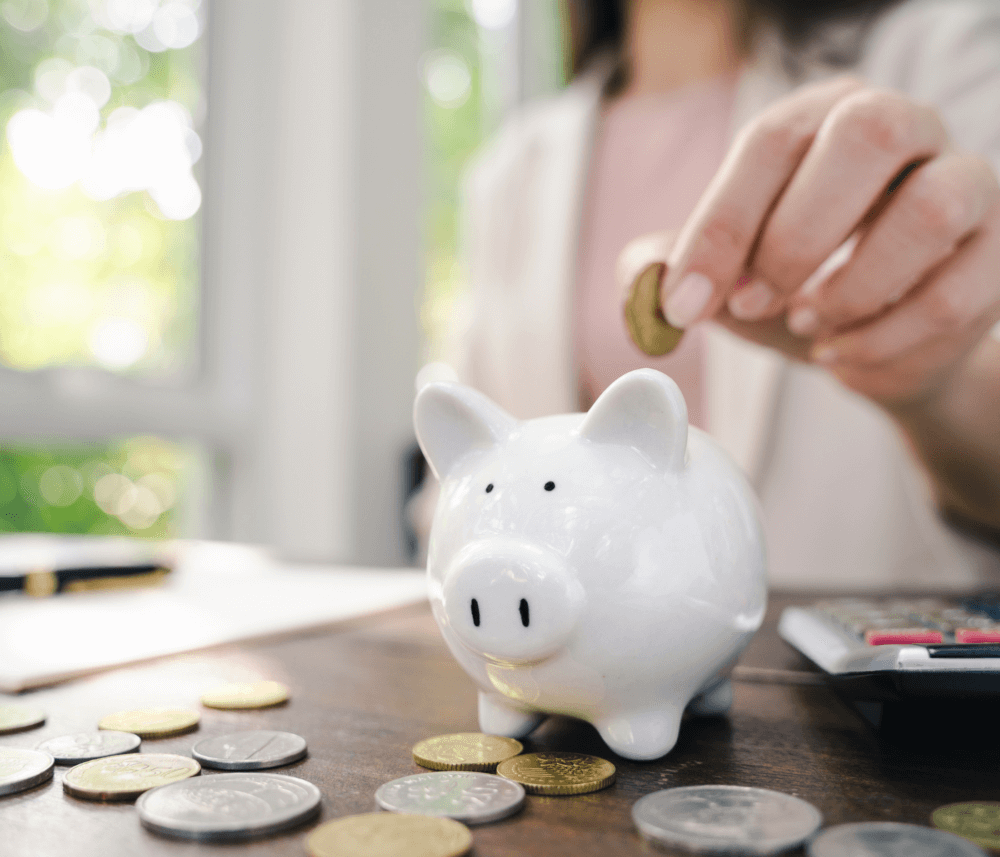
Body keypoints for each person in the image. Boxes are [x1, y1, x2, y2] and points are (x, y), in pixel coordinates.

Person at [432, 0, 1000, 589]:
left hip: (850, 636)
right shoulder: (512, 169)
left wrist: (936, 382)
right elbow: (462, 487)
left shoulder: (942, 55)